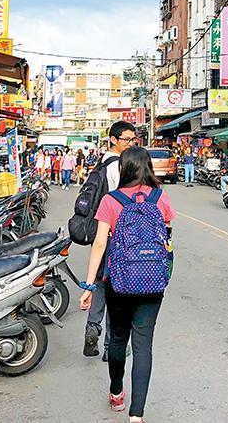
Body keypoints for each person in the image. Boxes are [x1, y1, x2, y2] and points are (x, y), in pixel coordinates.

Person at [79, 146, 173, 423]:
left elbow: (99, 244)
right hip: (153, 282)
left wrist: (88, 285)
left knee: (118, 338)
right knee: (143, 345)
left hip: (118, 280)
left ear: (124, 169)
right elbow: (166, 240)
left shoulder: (112, 200)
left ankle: (117, 392)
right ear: (148, 168)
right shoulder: (160, 198)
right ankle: (137, 415)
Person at [84, 121, 139, 360]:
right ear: (114, 140)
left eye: (133, 139)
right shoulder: (117, 166)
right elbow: (120, 202)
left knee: (99, 284)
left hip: (102, 234)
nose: (131, 143)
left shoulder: (103, 163)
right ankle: (110, 346)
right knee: (116, 290)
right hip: (115, 236)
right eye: (126, 139)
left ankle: (92, 328)